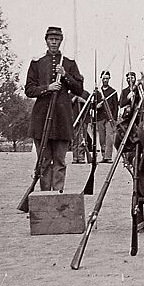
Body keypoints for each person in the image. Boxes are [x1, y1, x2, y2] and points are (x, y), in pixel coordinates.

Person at [25, 26, 84, 192]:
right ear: (46, 40)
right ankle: (44, 196)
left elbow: (79, 89)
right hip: (41, 119)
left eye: (57, 39)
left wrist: (65, 75)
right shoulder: (37, 63)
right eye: (51, 39)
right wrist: (47, 87)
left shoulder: (69, 63)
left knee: (60, 160)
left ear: (61, 41)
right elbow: (29, 90)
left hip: (62, 119)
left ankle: (57, 194)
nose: (53, 42)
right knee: (43, 161)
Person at [91, 71, 119, 163]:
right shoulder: (97, 92)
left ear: (109, 79)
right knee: (102, 138)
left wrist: (114, 119)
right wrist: (96, 106)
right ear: (101, 79)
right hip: (100, 117)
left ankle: (108, 157)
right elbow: (92, 105)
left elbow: (116, 106)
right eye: (104, 78)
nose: (105, 80)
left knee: (109, 137)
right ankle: (103, 156)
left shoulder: (113, 92)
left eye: (107, 78)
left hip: (109, 118)